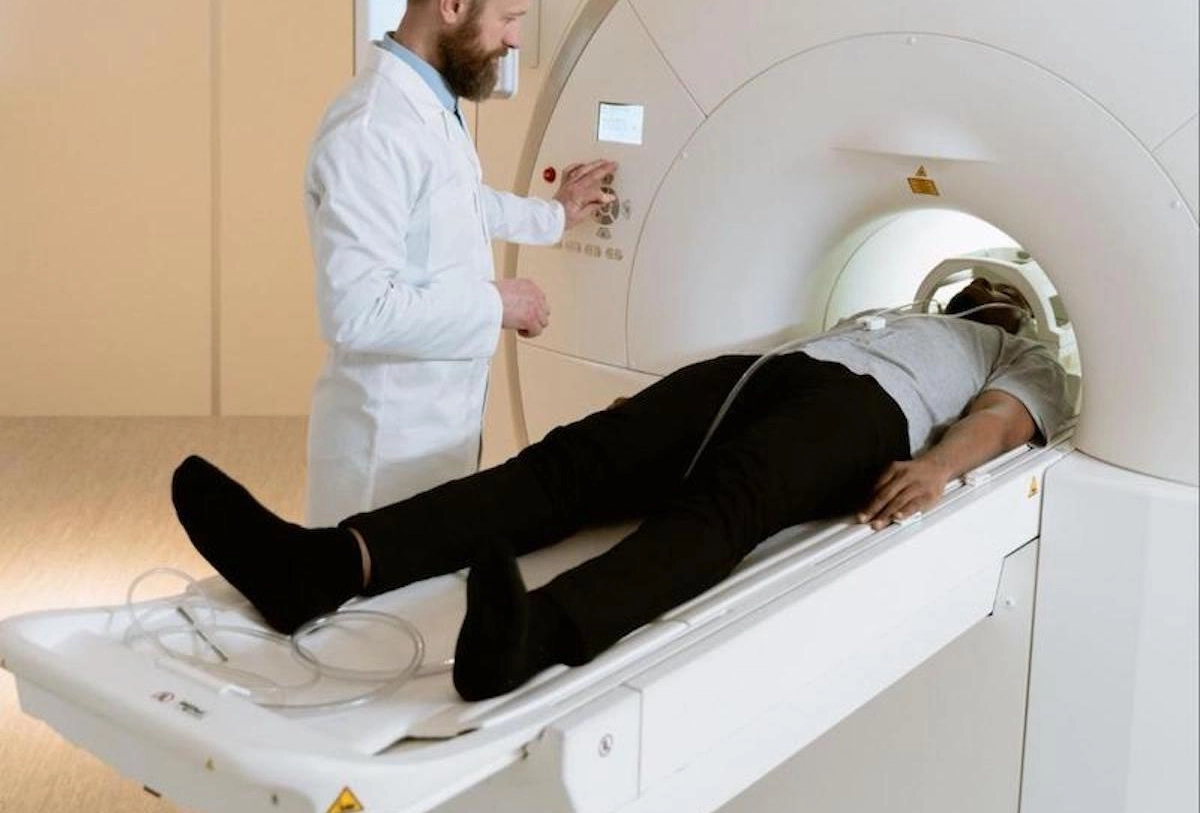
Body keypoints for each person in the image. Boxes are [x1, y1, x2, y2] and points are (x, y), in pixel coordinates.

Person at [171, 278, 1070, 701]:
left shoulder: (1014, 351)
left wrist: (939, 466)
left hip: (871, 413)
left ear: (1016, 307)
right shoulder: (888, 308)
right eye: (975, 279)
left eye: (999, 286)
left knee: (728, 506)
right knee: (575, 457)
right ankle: (324, 562)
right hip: (768, 370)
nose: (985, 287)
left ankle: (528, 639)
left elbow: (1002, 419)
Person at [304, 0, 617, 525]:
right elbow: (357, 311)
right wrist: (497, 303)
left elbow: (455, 205)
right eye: (509, 18)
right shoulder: (372, 129)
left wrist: (554, 216)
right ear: (451, 6)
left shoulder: (428, 106)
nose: (515, 40)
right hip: (384, 454)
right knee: (373, 603)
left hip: (432, 435)